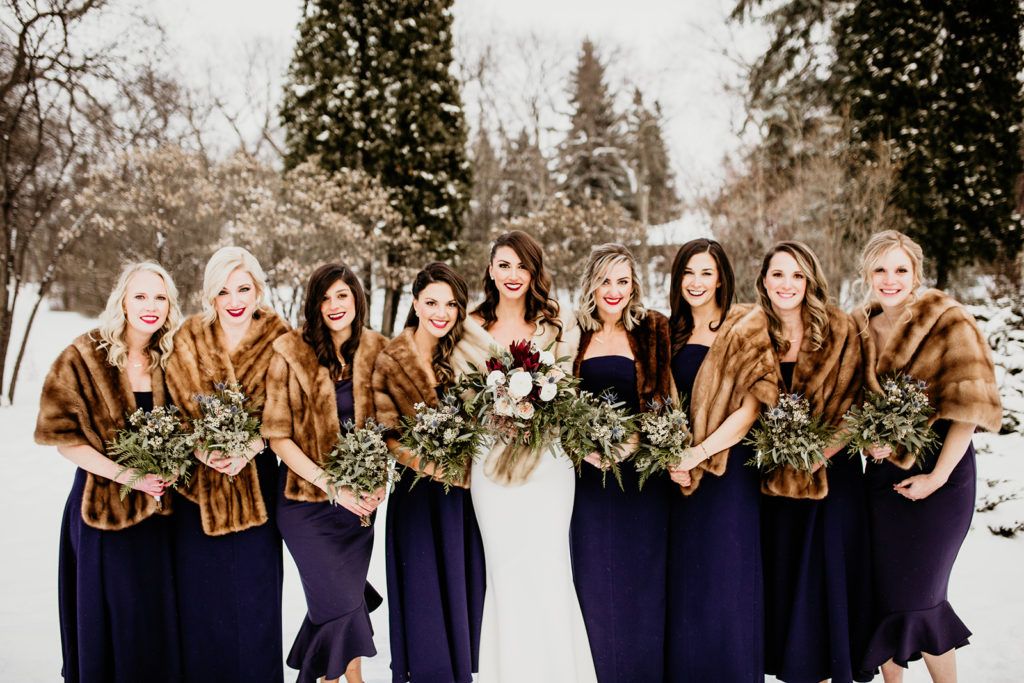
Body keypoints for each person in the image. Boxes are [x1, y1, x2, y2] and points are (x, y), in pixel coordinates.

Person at [853, 231, 1001, 683]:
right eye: (880, 269)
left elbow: (968, 412)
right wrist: (866, 440)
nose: (890, 279)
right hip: (882, 479)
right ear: (866, 275)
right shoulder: (857, 325)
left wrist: (936, 477)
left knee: (921, 595)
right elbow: (848, 404)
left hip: (943, 474)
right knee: (887, 595)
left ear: (917, 272)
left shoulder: (949, 321)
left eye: (900, 269)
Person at [451, 230, 598, 683]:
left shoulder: (558, 326)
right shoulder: (467, 328)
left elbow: (569, 394)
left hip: (549, 468)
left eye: (522, 266)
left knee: (551, 568)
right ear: (490, 270)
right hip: (492, 471)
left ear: (534, 272)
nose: (513, 275)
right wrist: (495, 412)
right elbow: (461, 399)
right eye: (504, 265)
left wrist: (538, 407)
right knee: (506, 574)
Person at [35, 261, 183, 682]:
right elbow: (63, 439)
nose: (150, 306)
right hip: (101, 511)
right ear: (122, 300)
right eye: (140, 296)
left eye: (159, 297)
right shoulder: (83, 355)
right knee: (111, 616)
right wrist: (127, 476)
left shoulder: (173, 358)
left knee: (150, 622)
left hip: (161, 517)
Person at [166, 245, 290, 682]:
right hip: (197, 495)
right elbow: (172, 409)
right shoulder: (187, 337)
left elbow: (290, 408)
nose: (234, 301)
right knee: (201, 606)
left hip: (256, 486)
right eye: (223, 292)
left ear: (258, 289)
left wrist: (253, 446)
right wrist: (201, 450)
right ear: (210, 296)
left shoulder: (282, 337)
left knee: (255, 605)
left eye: (243, 288)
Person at [263, 263, 388, 683]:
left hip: (357, 512)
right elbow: (277, 436)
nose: (334, 306)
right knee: (337, 602)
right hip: (305, 506)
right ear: (314, 305)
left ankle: (341, 678)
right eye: (325, 297)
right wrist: (331, 484)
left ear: (356, 299)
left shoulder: (377, 350)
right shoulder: (289, 352)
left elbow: (388, 429)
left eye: (342, 296)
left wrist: (380, 482)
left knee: (343, 604)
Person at [755, 241, 874, 683]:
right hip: (770, 484)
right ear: (764, 280)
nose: (787, 285)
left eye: (797, 276)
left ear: (811, 281)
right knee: (786, 593)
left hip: (831, 479)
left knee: (826, 589)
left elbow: (860, 405)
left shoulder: (841, 329)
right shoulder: (751, 331)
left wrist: (818, 452)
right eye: (778, 274)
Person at [663, 238, 778, 682]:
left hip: (727, 477)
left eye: (706, 273)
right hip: (675, 480)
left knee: (726, 584)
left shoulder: (745, 326)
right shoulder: (668, 332)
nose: (696, 282)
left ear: (722, 278)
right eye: (689, 273)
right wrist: (672, 455)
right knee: (685, 588)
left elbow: (750, 410)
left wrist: (699, 453)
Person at [373, 262, 486, 683]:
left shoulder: (464, 356)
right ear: (416, 303)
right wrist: (435, 465)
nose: (441, 312)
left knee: (458, 589)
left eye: (451, 304)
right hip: (417, 493)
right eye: (432, 302)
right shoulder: (391, 359)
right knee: (421, 590)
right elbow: (386, 434)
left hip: (462, 498)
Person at [568, 243, 673, 682]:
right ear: (591, 283)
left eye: (623, 281)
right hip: (586, 480)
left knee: (640, 580)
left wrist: (634, 439)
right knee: (591, 578)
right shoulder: (572, 331)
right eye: (606, 280)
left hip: (641, 477)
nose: (614, 290)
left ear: (635, 286)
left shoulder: (652, 329)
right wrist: (580, 445)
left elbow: (666, 399)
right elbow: (557, 402)